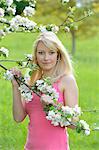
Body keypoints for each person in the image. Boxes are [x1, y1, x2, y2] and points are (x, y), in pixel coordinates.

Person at [11, 31, 78, 150]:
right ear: (35, 55)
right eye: (41, 53)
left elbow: (74, 123)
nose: (46, 58)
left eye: (51, 53)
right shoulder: (31, 81)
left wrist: (53, 107)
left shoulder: (66, 81)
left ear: (58, 54)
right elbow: (18, 117)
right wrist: (16, 87)